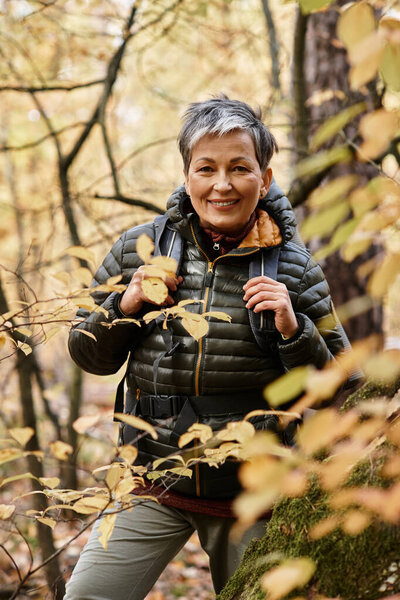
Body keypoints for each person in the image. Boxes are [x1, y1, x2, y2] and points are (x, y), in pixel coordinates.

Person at [65, 95, 355, 600]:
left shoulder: (295, 269)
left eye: (239, 168)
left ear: (264, 180)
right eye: (207, 168)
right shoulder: (141, 249)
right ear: (186, 175)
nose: (222, 184)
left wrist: (294, 329)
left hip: (254, 494)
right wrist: (126, 306)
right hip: (151, 478)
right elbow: (87, 354)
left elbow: (341, 390)